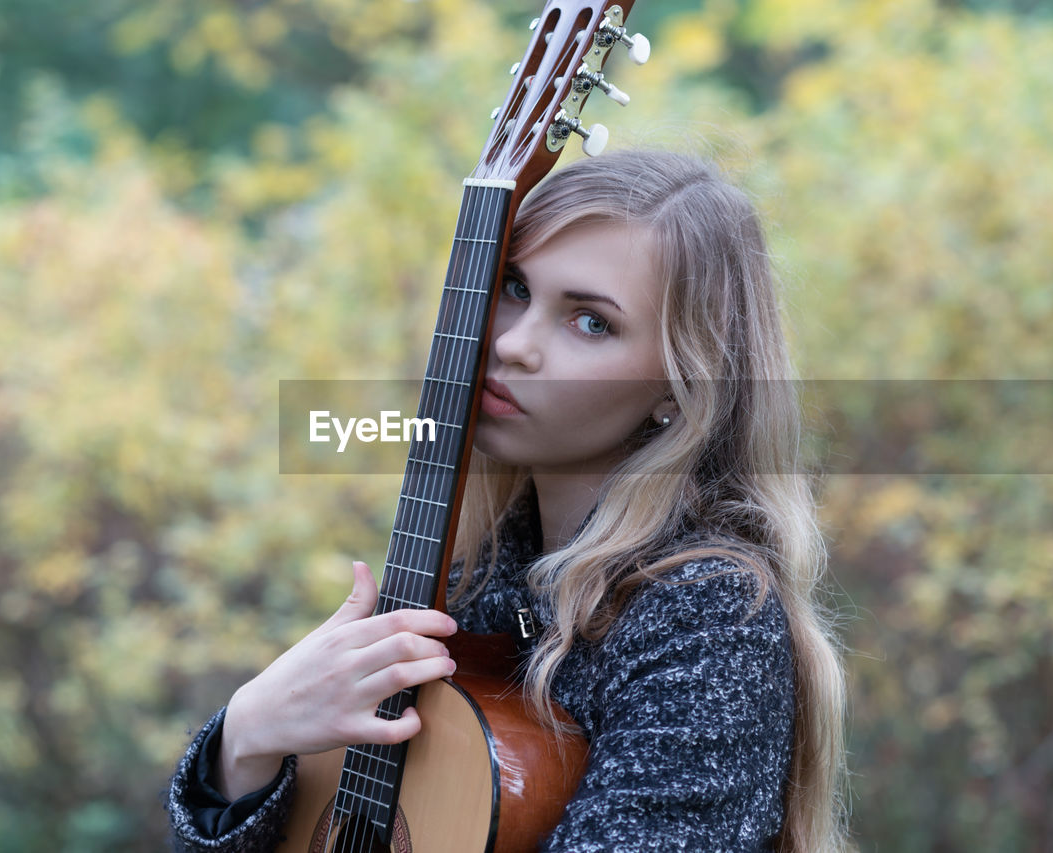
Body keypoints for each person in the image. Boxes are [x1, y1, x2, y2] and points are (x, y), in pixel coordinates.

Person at [165, 150, 851, 852]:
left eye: (590, 322)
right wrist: (246, 738)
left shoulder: (708, 617)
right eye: (515, 287)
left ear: (679, 389)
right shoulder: (468, 582)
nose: (513, 344)